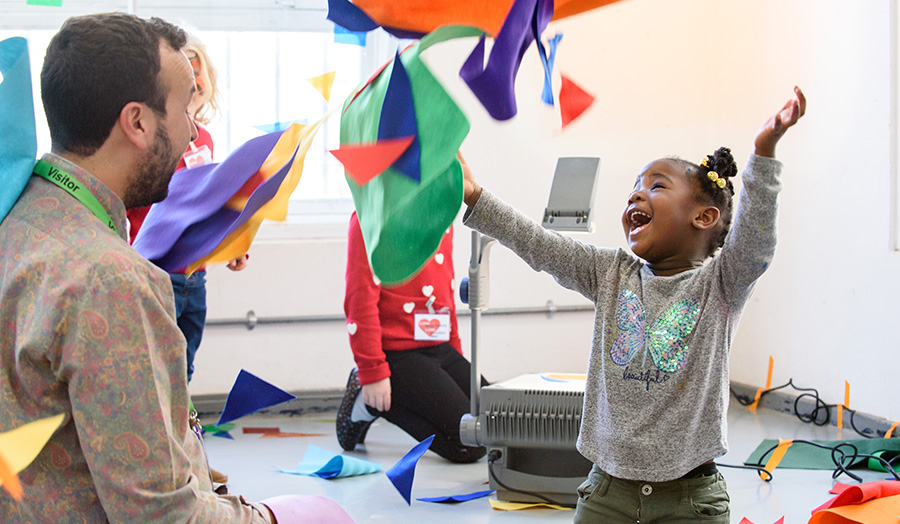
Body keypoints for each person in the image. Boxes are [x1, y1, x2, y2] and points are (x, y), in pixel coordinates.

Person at [0, 13, 352, 523]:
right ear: (138, 122)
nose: (193, 129)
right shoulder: (109, 280)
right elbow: (162, 518)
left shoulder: (20, 219)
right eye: (185, 106)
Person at [458, 87, 806, 522]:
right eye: (634, 189)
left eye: (656, 186)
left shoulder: (720, 285)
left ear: (703, 217)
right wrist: (475, 196)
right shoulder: (611, 273)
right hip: (608, 492)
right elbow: (540, 246)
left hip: (690, 497)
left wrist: (764, 151)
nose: (636, 197)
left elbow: (755, 241)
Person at [127, 33, 249, 386]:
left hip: (194, 275)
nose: (195, 81)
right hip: (156, 270)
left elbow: (208, 199)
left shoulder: (205, 139)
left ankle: (180, 433)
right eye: (186, 72)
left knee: (184, 365)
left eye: (199, 71)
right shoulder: (150, 137)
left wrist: (232, 241)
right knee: (155, 367)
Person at [337, 211, 487, 463]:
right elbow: (359, 302)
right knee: (469, 446)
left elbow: (443, 289)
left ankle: (383, 394)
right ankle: (368, 401)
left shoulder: (440, 212)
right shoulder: (370, 218)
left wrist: (454, 352)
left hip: (437, 345)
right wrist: (372, 370)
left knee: (498, 422)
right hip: (396, 353)